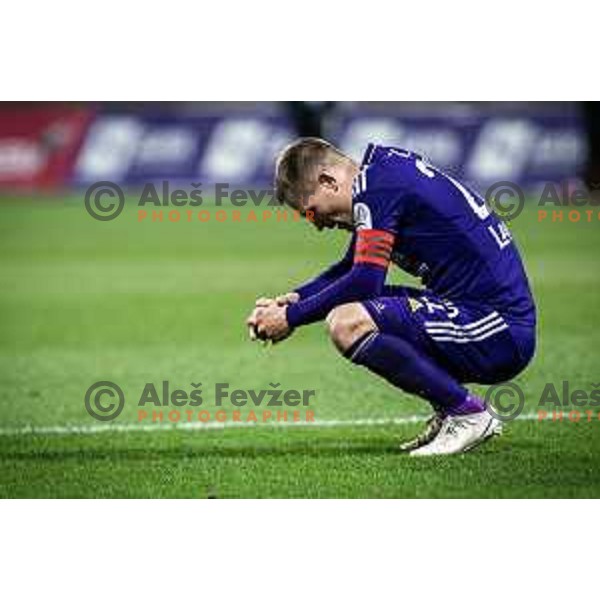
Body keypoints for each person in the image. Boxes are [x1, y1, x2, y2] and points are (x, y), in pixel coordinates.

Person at [247, 138, 536, 455]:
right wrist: (291, 300)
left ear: (328, 181)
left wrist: (290, 318)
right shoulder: (380, 174)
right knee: (353, 310)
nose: (318, 225)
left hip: (498, 329)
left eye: (312, 213)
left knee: (346, 323)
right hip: (477, 315)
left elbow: (365, 282)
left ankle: (466, 413)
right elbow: (349, 268)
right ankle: (449, 408)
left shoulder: (378, 188)